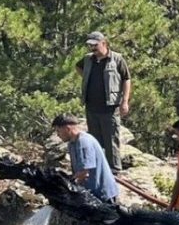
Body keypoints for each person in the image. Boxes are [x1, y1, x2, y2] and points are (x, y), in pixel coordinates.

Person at [75, 31, 131, 174]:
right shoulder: (88, 59)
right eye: (90, 45)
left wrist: (124, 101)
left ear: (104, 43)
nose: (92, 48)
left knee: (111, 139)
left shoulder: (117, 59)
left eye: (95, 45)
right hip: (91, 106)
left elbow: (126, 79)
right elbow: (78, 67)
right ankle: (98, 167)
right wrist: (86, 77)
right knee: (94, 139)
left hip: (110, 108)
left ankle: (114, 170)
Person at [52, 113, 119, 204]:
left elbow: (84, 173)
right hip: (92, 193)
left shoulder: (83, 142)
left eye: (58, 131)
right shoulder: (72, 144)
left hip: (102, 195)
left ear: (67, 128)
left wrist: (69, 188)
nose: (58, 135)